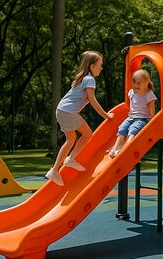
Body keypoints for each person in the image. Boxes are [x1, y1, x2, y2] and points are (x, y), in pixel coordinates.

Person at [46, 51, 114, 186]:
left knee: (70, 139)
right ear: (92, 66)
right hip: (68, 112)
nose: (101, 68)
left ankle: (54, 170)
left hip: (61, 110)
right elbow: (93, 100)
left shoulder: (81, 78)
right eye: (100, 65)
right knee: (87, 134)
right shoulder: (89, 79)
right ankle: (70, 159)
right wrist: (106, 115)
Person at [108, 69, 157, 158]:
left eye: (139, 83)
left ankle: (125, 148)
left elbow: (152, 110)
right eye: (135, 82)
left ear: (146, 82)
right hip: (131, 117)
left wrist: (152, 122)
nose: (136, 85)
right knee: (122, 128)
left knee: (133, 129)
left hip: (143, 119)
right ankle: (116, 147)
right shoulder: (131, 92)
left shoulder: (149, 94)